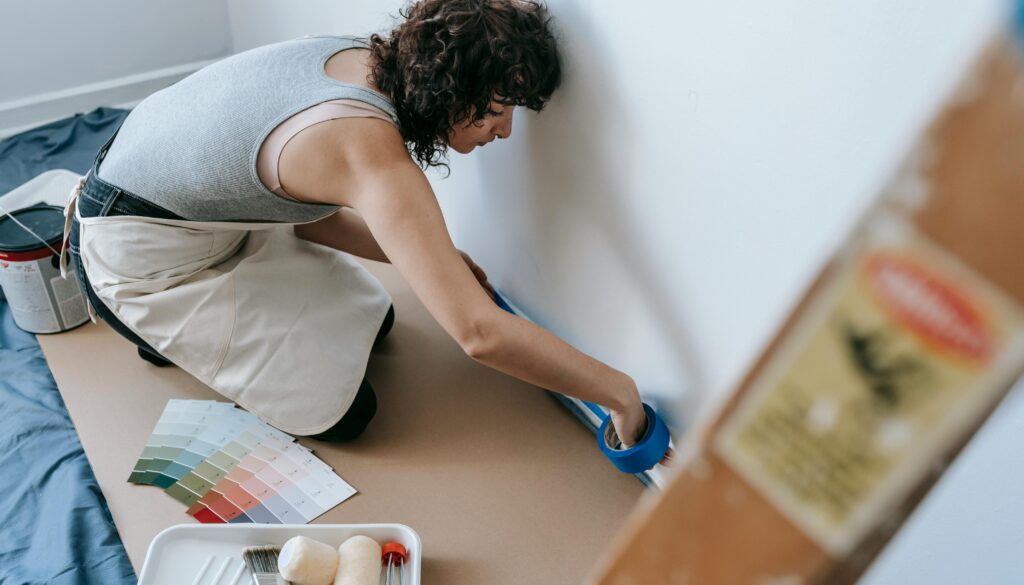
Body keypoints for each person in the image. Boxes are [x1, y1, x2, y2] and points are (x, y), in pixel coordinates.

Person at [66, 0, 647, 446]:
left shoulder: (362, 59)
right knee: (348, 416)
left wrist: (430, 264)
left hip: (184, 205)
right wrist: (620, 395)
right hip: (132, 251)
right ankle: (142, 329)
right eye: (497, 111)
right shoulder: (365, 146)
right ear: (451, 93)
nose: (506, 132)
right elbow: (479, 333)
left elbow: (306, 217)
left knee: (378, 319)